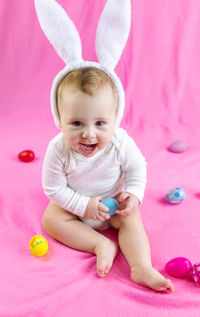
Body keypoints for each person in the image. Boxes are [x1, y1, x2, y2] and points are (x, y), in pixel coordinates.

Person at [42, 66, 174, 293]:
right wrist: (83, 206)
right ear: (59, 119)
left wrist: (133, 194)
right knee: (51, 219)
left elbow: (136, 168)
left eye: (100, 123)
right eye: (76, 123)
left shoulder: (120, 142)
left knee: (131, 218)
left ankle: (141, 266)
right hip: (74, 204)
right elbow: (54, 188)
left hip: (113, 203)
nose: (89, 134)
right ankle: (100, 243)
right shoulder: (57, 149)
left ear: (115, 120)